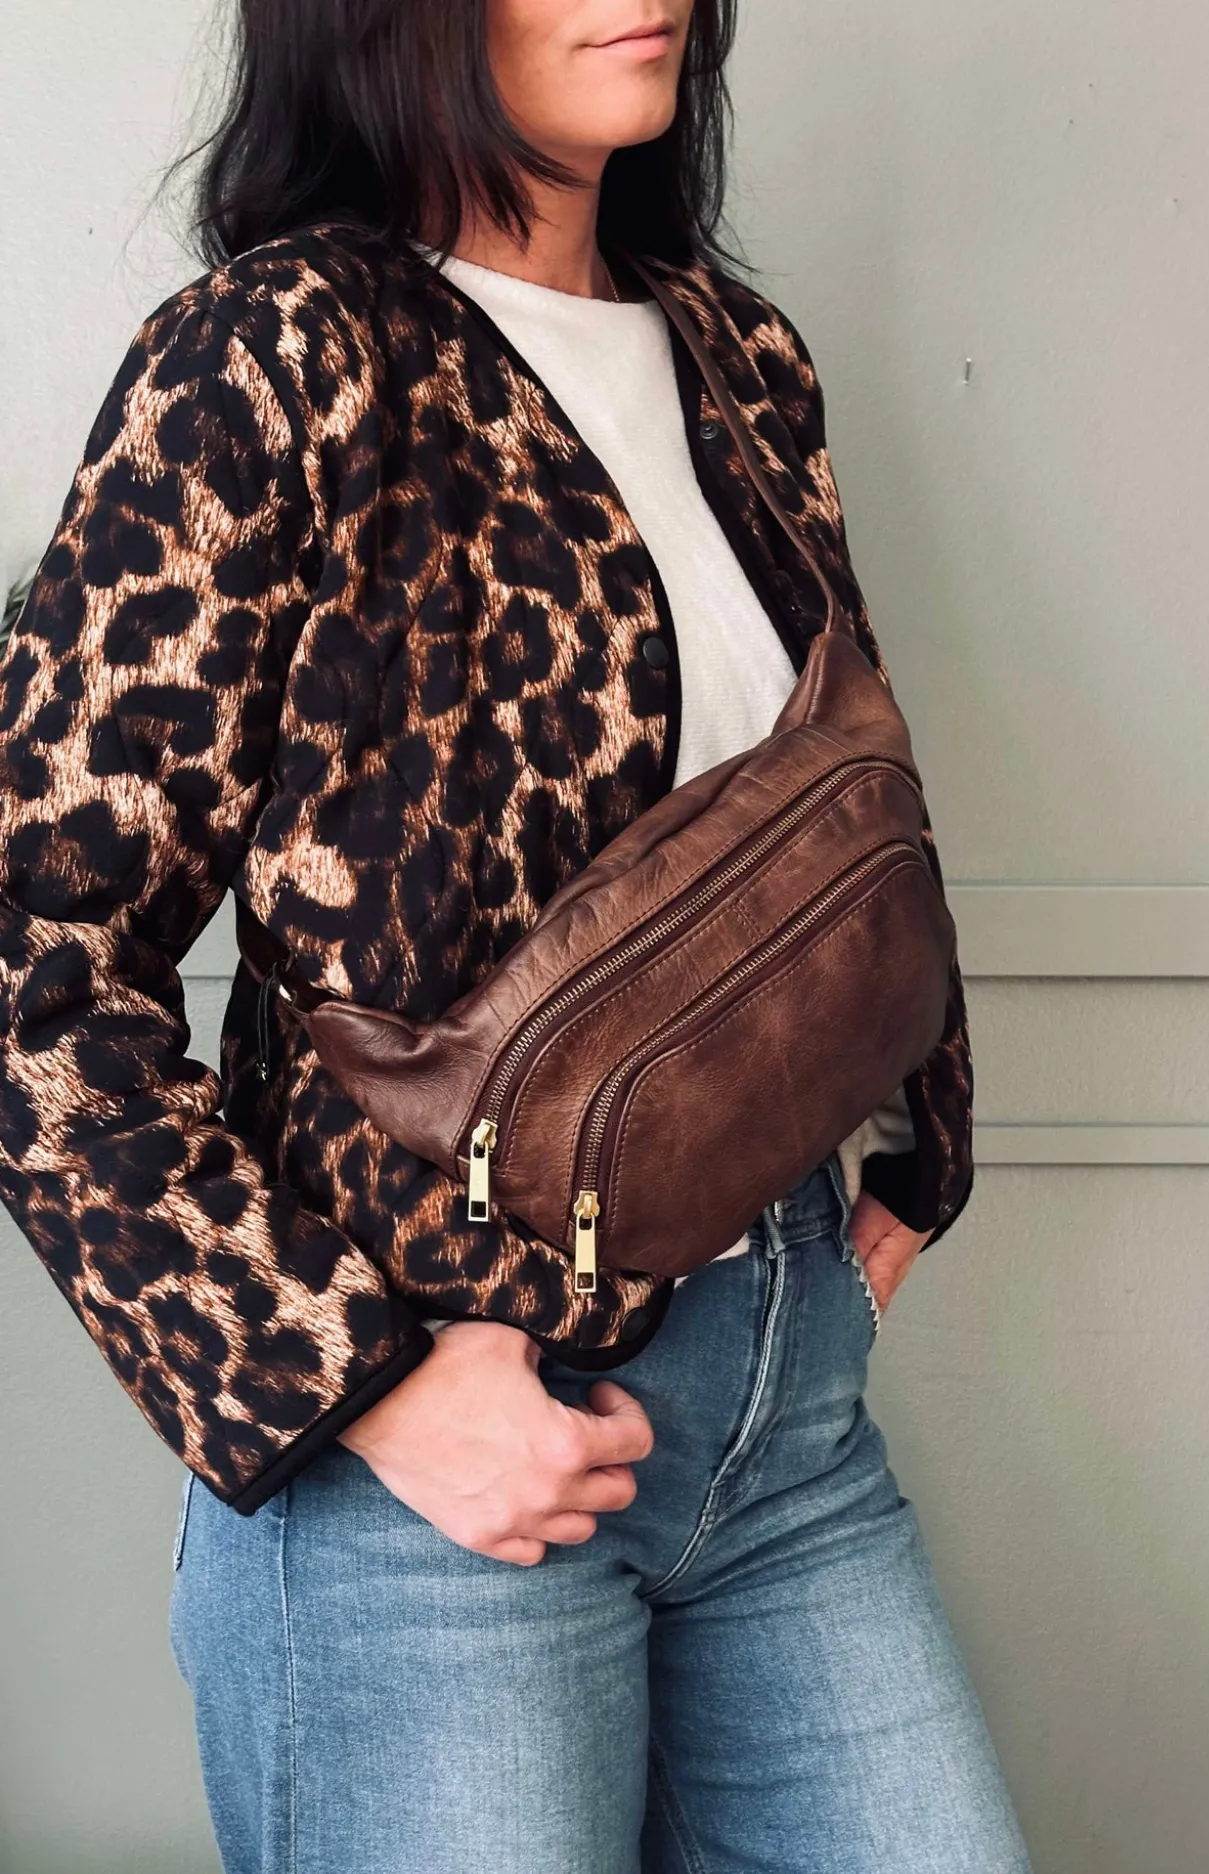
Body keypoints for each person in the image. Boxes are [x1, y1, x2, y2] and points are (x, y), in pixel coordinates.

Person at [0, 2, 1031, 1868]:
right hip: (440, 1476)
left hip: (787, 1422)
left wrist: (916, 1141)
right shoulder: (277, 358)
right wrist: (361, 1381)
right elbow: (33, 958)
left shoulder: (736, 357)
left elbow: (833, 792)